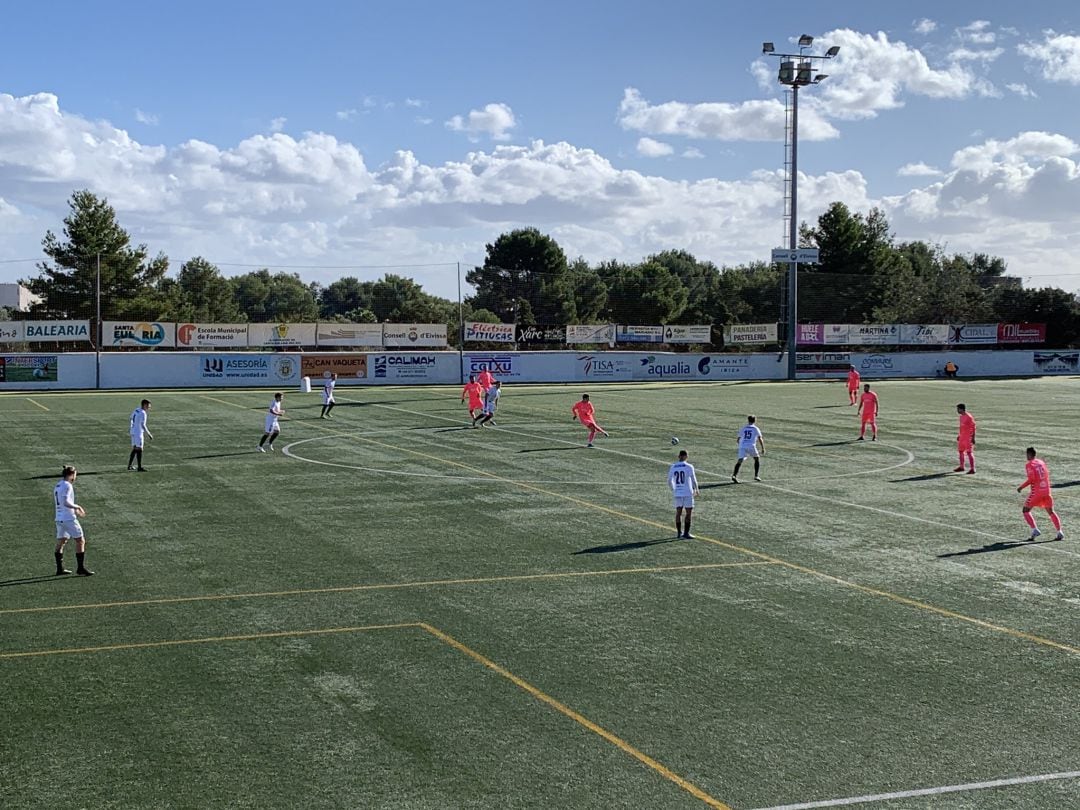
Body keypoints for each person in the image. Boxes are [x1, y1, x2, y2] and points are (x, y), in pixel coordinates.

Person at [1017, 447, 1064, 541]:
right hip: (1046, 490)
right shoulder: (1041, 462)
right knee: (1051, 511)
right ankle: (1060, 532)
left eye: (1026, 454)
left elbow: (1031, 479)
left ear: (1029, 454)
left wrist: (1021, 487)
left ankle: (1034, 529)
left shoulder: (1029, 465)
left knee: (1025, 510)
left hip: (1037, 492)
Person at [53, 465, 93, 576]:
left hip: (59, 518)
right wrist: (77, 507)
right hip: (68, 518)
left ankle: (59, 569)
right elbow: (65, 502)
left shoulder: (58, 485)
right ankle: (80, 568)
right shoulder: (67, 485)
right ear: (71, 475)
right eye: (75, 475)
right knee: (80, 540)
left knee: (61, 541)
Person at [668, 449, 700, 539]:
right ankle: (686, 533)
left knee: (678, 512)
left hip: (678, 492)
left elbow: (669, 480)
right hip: (687, 492)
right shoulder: (689, 466)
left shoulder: (673, 466)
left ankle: (679, 533)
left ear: (679, 456)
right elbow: (694, 479)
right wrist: (697, 489)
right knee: (688, 512)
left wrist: (674, 489)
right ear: (686, 456)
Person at [731, 415, 765, 483]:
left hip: (742, 446)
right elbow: (760, 438)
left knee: (740, 460)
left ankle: (734, 475)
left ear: (748, 420)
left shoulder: (743, 428)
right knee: (756, 458)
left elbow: (738, 439)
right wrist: (763, 448)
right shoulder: (755, 428)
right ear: (755, 420)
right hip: (751, 446)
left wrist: (741, 445)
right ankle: (756, 476)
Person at [127, 399, 153, 471]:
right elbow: (143, 425)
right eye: (148, 406)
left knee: (135, 448)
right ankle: (139, 467)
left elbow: (131, 418)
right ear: (144, 405)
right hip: (138, 433)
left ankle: (129, 466)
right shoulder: (143, 413)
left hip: (133, 432)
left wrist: (132, 427)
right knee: (139, 449)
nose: (149, 408)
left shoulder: (137, 410)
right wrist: (149, 434)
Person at [954, 404, 976, 474]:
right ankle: (962, 467)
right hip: (962, 437)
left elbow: (973, 427)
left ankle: (972, 469)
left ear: (962, 409)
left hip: (968, 438)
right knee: (960, 451)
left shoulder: (969, 417)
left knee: (969, 452)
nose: (957, 410)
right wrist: (959, 435)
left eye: (958, 409)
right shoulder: (961, 417)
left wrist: (973, 438)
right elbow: (961, 427)